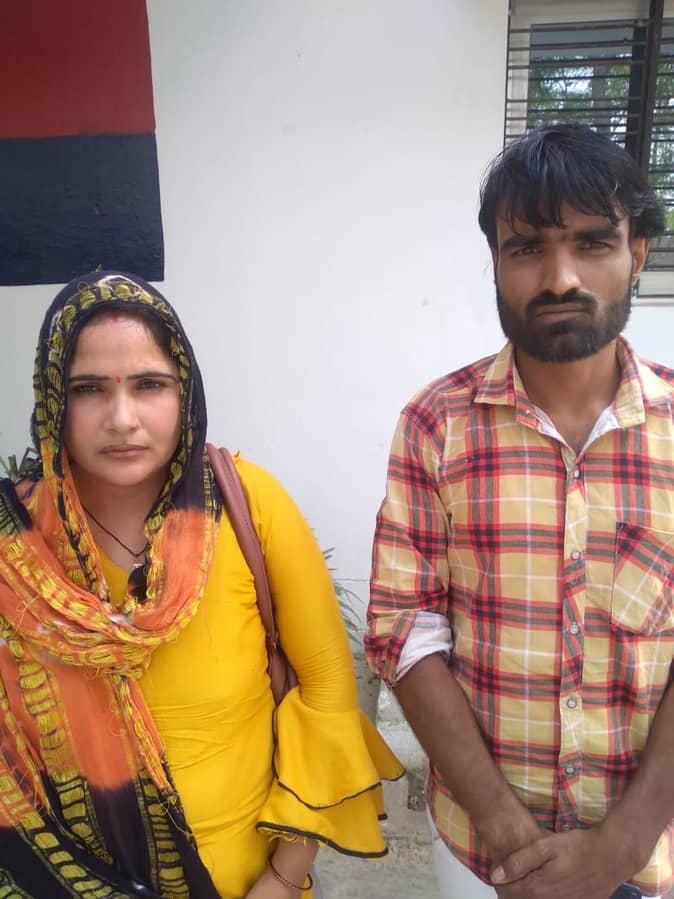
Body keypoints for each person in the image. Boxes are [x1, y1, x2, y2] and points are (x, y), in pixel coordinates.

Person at [0, 270, 403, 898]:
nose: (122, 419)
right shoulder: (15, 545)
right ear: (54, 397)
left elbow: (327, 693)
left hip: (246, 882)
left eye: (149, 385)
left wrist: (283, 876)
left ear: (184, 391)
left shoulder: (248, 504)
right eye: (88, 389)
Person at [366, 123, 674, 899]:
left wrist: (623, 844)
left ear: (637, 253)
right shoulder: (437, 424)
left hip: (652, 849)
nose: (560, 277)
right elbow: (405, 628)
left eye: (593, 243)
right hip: (485, 854)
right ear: (496, 264)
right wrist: (509, 834)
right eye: (527, 247)